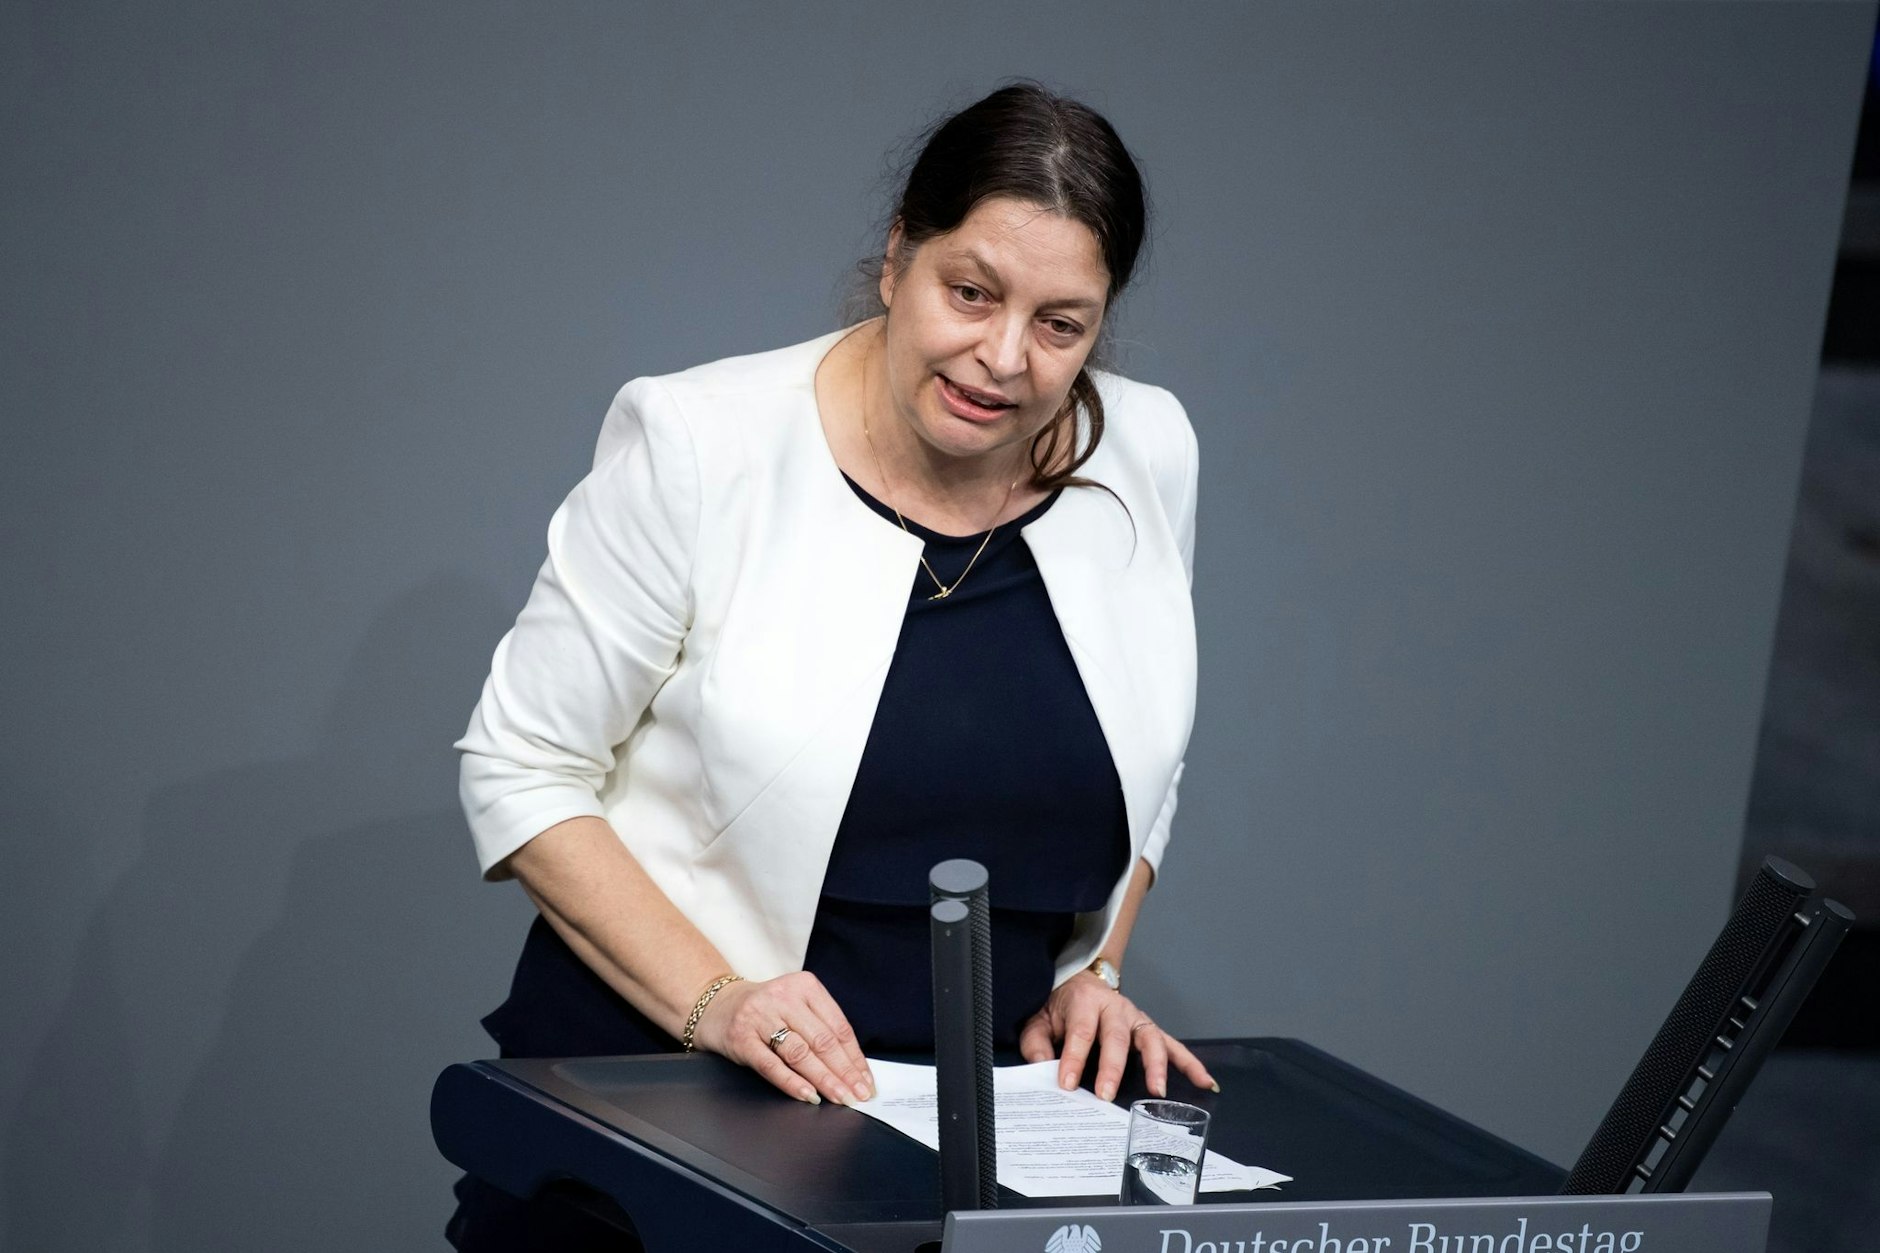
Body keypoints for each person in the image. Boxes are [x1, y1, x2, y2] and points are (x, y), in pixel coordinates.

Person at [447, 82, 1213, 1249]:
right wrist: (718, 999)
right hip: (659, 1117)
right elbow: (520, 768)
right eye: (970, 292)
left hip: (960, 1150)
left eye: (1061, 324)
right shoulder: (700, 445)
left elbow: (1143, 752)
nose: (1003, 357)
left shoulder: (1145, 449)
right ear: (897, 253)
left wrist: (1093, 971)